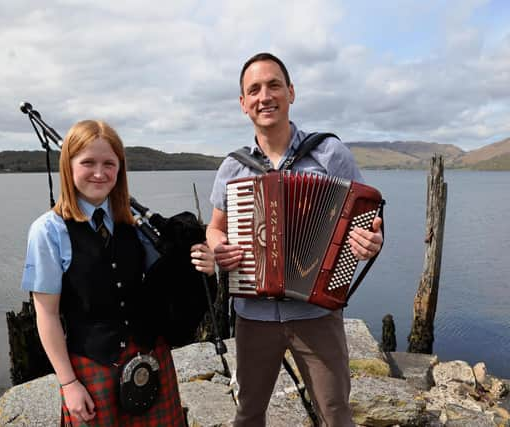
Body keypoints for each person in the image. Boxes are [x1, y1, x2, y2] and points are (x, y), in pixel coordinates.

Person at [206, 53, 384, 427]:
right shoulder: (233, 167)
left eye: (273, 85)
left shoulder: (329, 154)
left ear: (291, 92)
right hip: (253, 317)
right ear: (243, 103)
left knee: (336, 412)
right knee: (249, 411)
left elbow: (367, 219)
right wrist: (218, 245)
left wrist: (370, 241)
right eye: (253, 89)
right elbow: (215, 226)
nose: (264, 96)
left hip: (317, 313)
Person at [21, 119, 215, 426]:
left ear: (120, 169)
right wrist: (68, 383)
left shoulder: (134, 222)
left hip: (151, 357)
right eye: (88, 163)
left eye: (109, 163)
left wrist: (202, 261)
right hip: (92, 366)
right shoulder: (48, 231)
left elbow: (168, 275)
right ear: (68, 166)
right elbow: (46, 314)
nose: (100, 173)